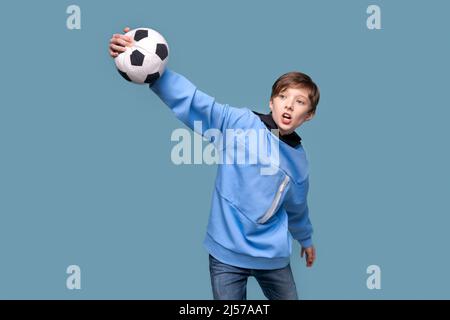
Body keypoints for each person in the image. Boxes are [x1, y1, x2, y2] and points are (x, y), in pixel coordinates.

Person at [109, 27, 320, 300]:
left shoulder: (299, 162)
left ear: (309, 115)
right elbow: (197, 103)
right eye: (283, 97)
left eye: (299, 101)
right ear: (271, 101)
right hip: (226, 252)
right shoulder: (240, 123)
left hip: (271, 257)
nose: (289, 106)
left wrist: (305, 238)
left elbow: (297, 207)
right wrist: (152, 68)